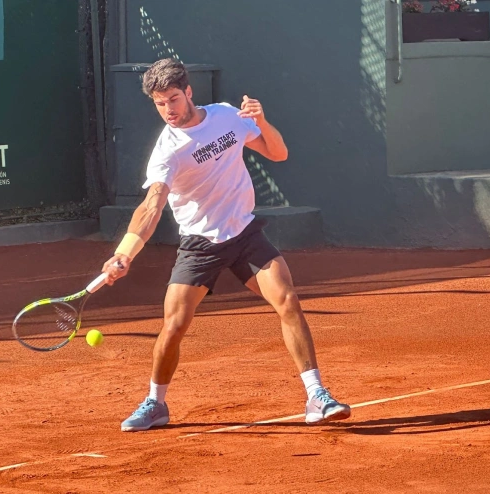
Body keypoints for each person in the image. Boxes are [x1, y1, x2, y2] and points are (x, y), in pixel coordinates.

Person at [100, 58, 350, 432]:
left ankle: (316, 395)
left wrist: (261, 122)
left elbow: (277, 153)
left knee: (288, 300)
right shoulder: (168, 151)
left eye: (172, 99)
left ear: (189, 92)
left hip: (245, 235)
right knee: (174, 326)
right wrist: (125, 253)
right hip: (199, 245)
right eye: (159, 103)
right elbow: (151, 206)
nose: (168, 109)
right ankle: (155, 403)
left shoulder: (228, 116)